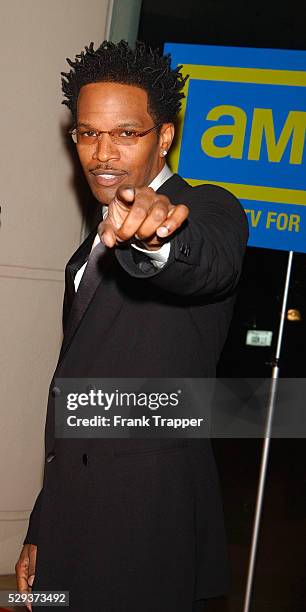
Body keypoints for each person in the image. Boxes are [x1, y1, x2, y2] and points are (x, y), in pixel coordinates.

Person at [15, 40, 248, 612]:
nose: (102, 153)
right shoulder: (86, 249)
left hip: (147, 526)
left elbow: (207, 259)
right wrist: (42, 526)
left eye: (126, 133)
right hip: (70, 518)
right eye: (89, 133)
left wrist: (158, 240)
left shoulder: (210, 208)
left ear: (164, 136)